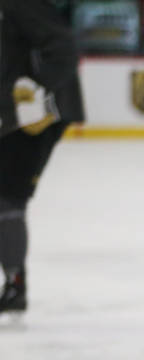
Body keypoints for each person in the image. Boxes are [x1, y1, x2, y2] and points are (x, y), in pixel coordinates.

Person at [0, 0, 85, 314]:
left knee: (8, 197)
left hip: (37, 116)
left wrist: (39, 89)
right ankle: (14, 283)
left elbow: (63, 48)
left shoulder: (19, 4)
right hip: (15, 115)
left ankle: (15, 286)